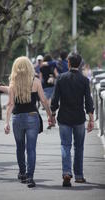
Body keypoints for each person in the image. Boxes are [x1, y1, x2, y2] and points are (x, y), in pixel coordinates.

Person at [4, 56, 53, 188]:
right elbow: (43, 101)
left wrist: (6, 122)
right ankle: (30, 177)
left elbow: (10, 104)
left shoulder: (13, 83)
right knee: (31, 149)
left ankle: (22, 173)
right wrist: (50, 116)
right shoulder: (35, 81)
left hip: (17, 118)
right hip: (32, 117)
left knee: (20, 147)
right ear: (29, 67)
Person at [50, 53, 94, 187]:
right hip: (79, 118)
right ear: (80, 64)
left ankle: (67, 172)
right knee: (79, 147)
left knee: (65, 145)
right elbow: (88, 100)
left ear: (68, 63)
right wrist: (91, 118)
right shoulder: (84, 80)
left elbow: (55, 99)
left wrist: (52, 114)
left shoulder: (61, 78)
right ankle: (79, 176)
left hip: (64, 117)